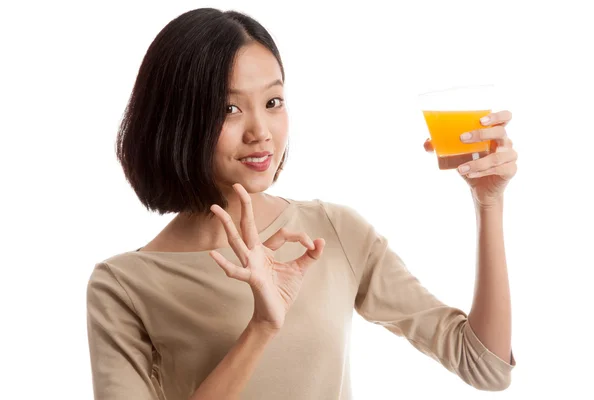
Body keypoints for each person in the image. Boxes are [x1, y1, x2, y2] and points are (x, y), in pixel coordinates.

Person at [86, 7, 518, 400]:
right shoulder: (124, 286)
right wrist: (261, 328)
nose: (261, 131)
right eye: (229, 108)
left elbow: (484, 366)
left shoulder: (334, 231)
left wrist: (489, 204)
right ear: (178, 119)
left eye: (273, 102)